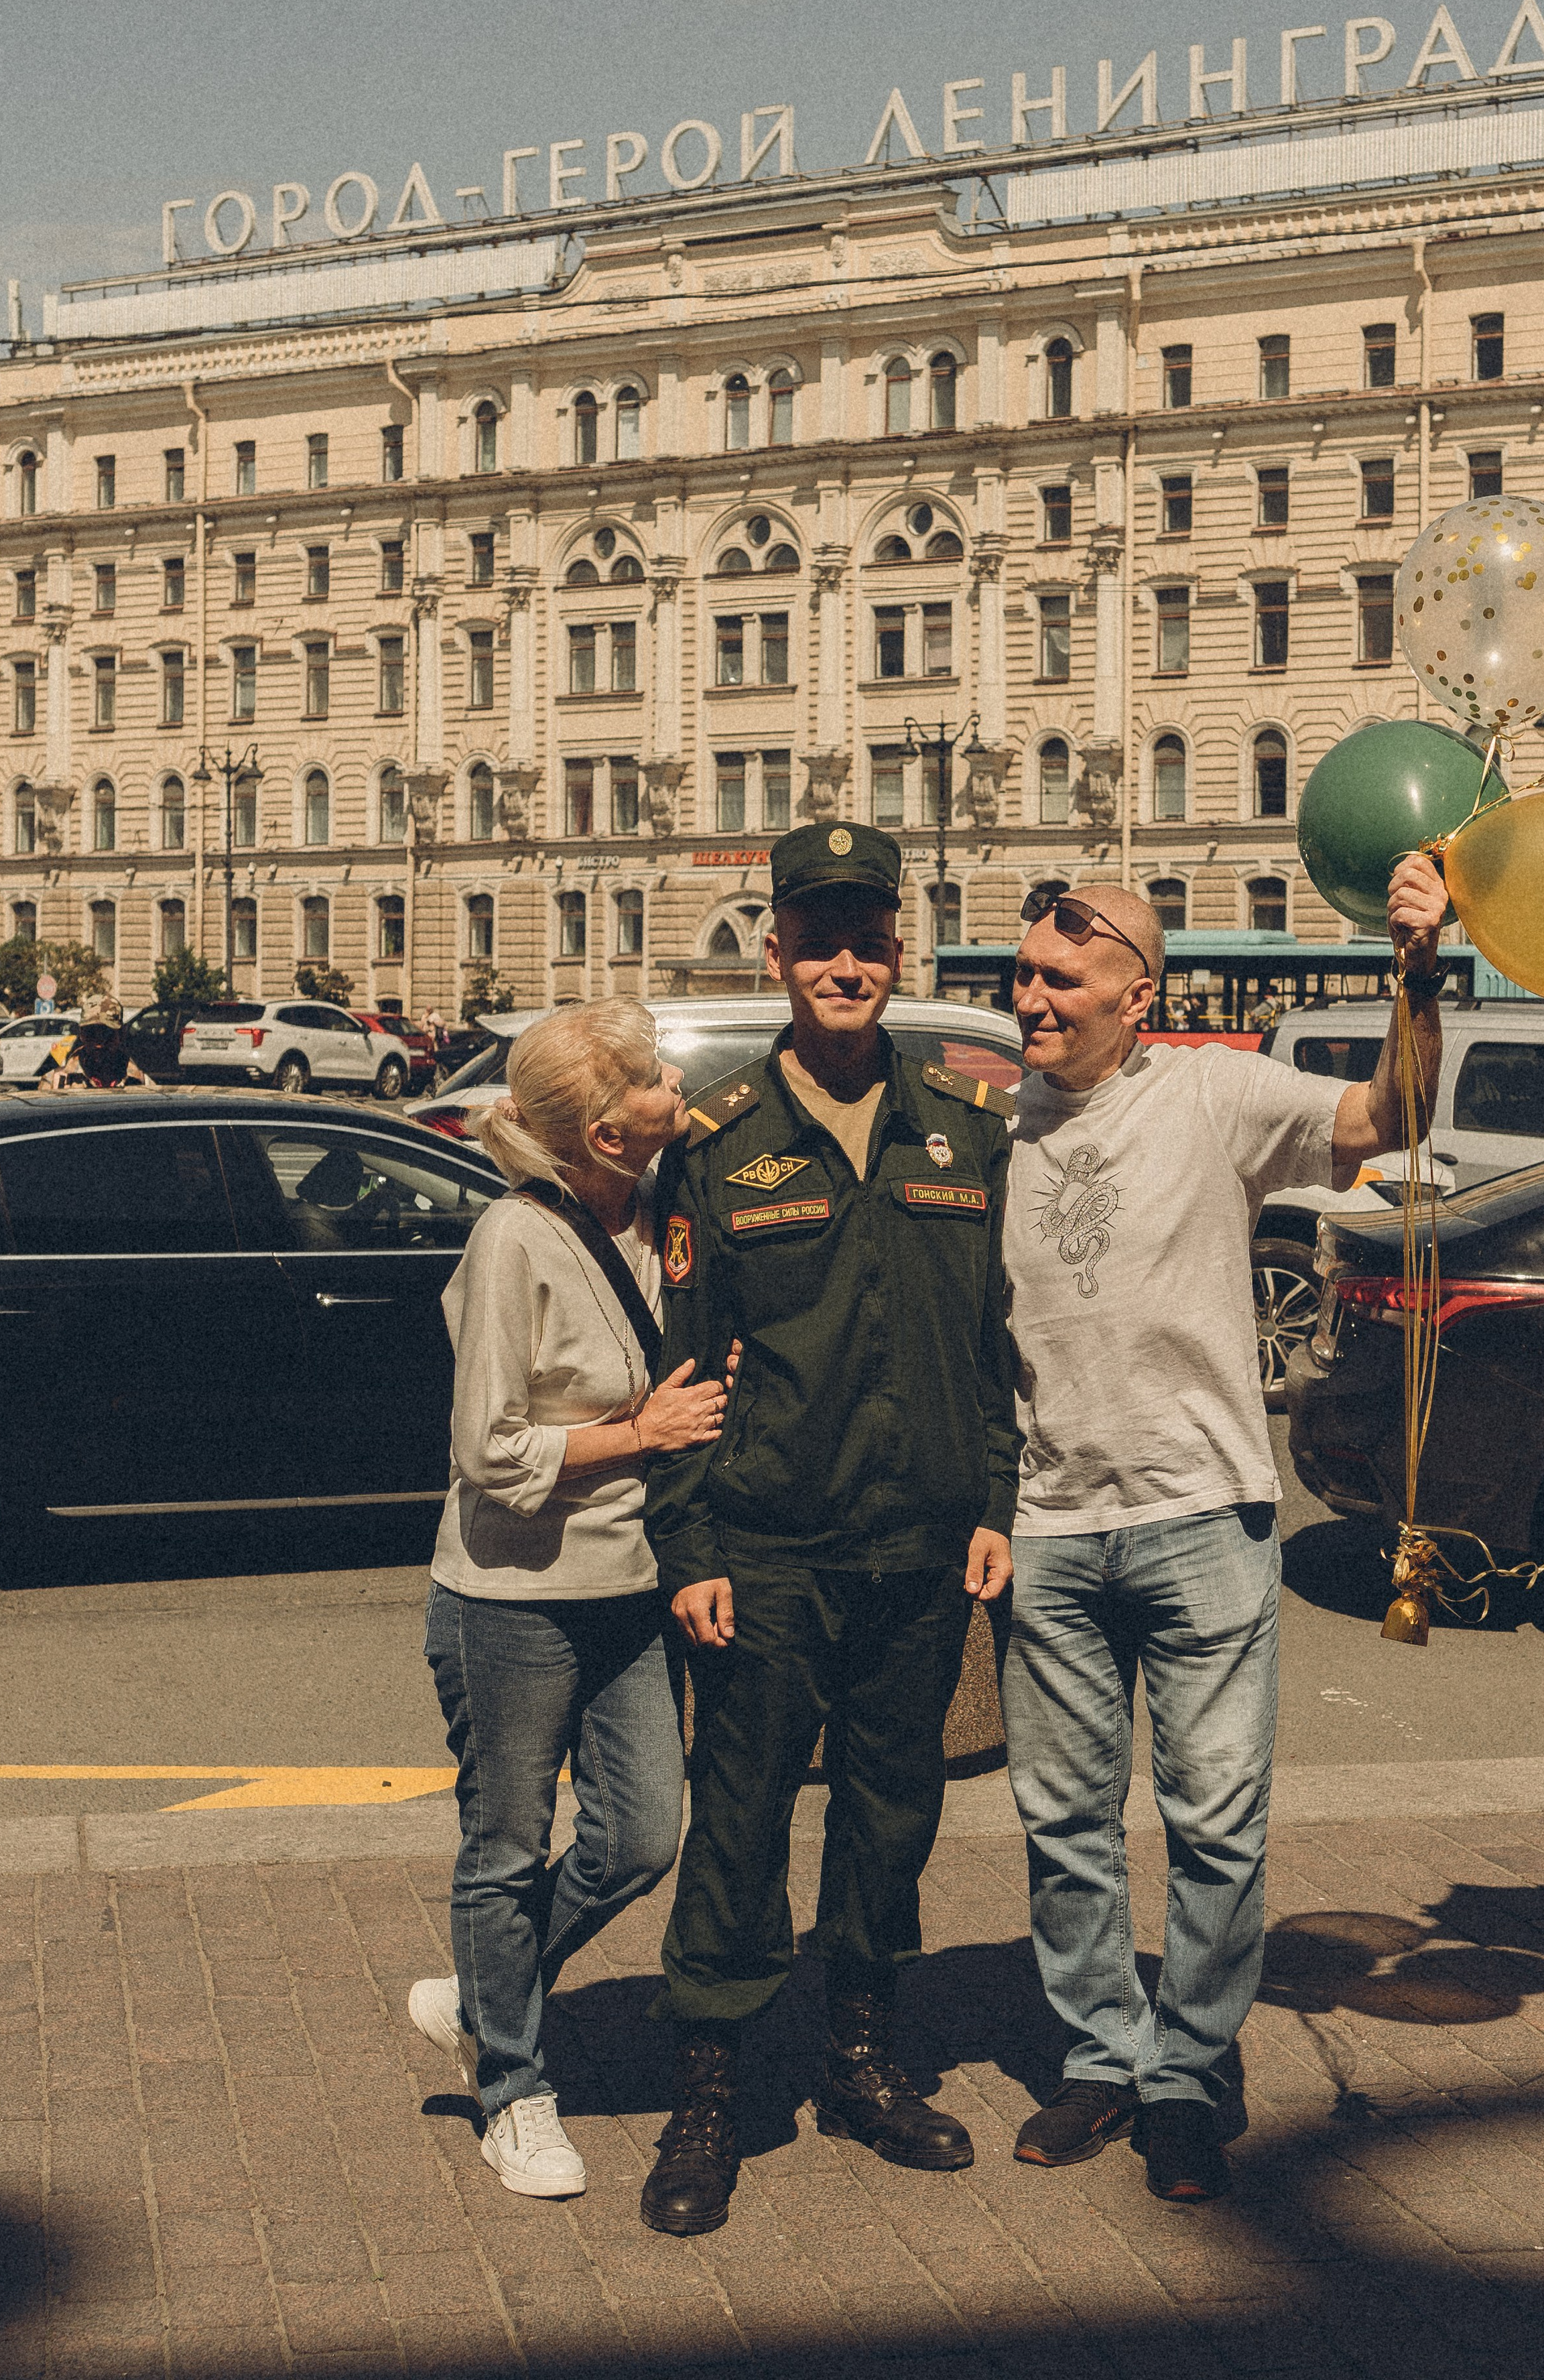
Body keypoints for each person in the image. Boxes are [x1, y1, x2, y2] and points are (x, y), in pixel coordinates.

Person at [1001, 857, 1448, 2203]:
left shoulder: (1212, 1092)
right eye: (1022, 974)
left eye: (1056, 980)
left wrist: (1413, 977)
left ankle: (1188, 2073)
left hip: (1201, 1515)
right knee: (1064, 1818)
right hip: (1052, 1525)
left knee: (1214, 1821)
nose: (1028, 998)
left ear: (1134, 997)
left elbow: (1391, 1115)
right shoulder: (992, 1122)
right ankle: (1096, 2052)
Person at [638, 820, 1019, 2238]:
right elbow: (683, 1366)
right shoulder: (720, 1141)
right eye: (819, 937)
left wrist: (992, 1503)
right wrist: (690, 1550)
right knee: (736, 1825)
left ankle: (861, 2058)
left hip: (919, 1547)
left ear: (897, 950)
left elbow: (988, 1347)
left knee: (890, 1817)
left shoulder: (962, 1131)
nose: (844, 963)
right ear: (778, 946)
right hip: (768, 1549)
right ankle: (711, 2092)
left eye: (868, 938)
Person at [407, 1000, 730, 2200]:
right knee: (503, 1845)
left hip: (629, 1583)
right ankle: (513, 2092)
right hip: (510, 1595)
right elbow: (488, 1449)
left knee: (643, 1833)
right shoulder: (514, 1240)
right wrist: (638, 1433)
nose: (674, 1093)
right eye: (653, 1081)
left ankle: (487, 1997)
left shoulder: (662, 1215)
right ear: (604, 1130)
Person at [37, 993, 148, 1091]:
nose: (99, 1043)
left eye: (107, 1033)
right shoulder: (55, 1083)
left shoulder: (141, 1082)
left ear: (121, 1034)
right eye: (91, 1034)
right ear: (81, 1035)